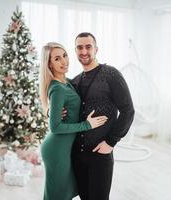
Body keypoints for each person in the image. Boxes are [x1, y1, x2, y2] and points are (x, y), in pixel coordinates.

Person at [39, 42, 108, 200]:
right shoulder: (57, 88)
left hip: (65, 148)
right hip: (56, 149)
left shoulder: (67, 82)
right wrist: (87, 125)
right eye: (57, 59)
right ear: (49, 64)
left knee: (64, 192)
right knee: (57, 194)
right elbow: (55, 127)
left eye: (65, 55)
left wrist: (51, 111)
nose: (64, 61)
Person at [70, 32, 135, 200]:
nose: (84, 51)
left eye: (88, 47)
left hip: (101, 153)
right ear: (75, 51)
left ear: (96, 49)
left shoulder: (111, 74)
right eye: (79, 47)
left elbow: (128, 110)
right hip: (77, 154)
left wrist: (111, 141)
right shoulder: (75, 81)